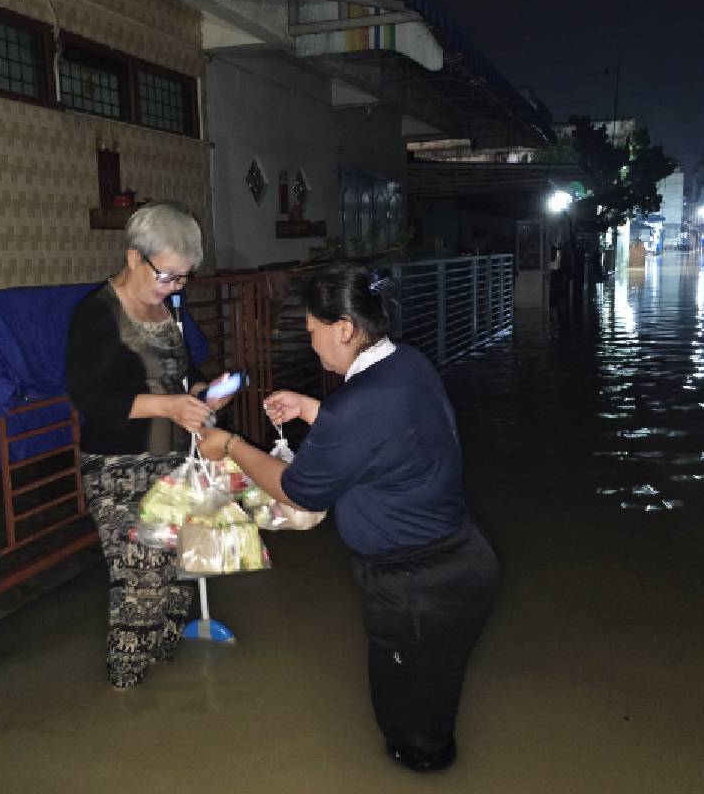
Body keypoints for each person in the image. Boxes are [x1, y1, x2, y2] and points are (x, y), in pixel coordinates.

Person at [199, 262, 500, 772]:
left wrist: (231, 445)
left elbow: (298, 493)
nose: (312, 345)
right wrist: (316, 410)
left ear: (343, 328)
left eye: (313, 333)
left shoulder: (357, 407)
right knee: (432, 697)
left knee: (412, 730)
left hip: (415, 586)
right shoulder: (407, 364)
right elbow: (387, 434)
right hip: (462, 563)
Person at [67, 202, 232, 688]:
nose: (175, 287)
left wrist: (203, 392)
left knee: (177, 575)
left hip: (176, 457)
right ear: (133, 258)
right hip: (118, 462)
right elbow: (91, 399)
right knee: (140, 580)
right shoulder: (97, 314)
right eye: (167, 275)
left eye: (183, 278)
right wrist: (169, 407)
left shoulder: (169, 309)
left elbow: (181, 374)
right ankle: (126, 688)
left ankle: (170, 677)